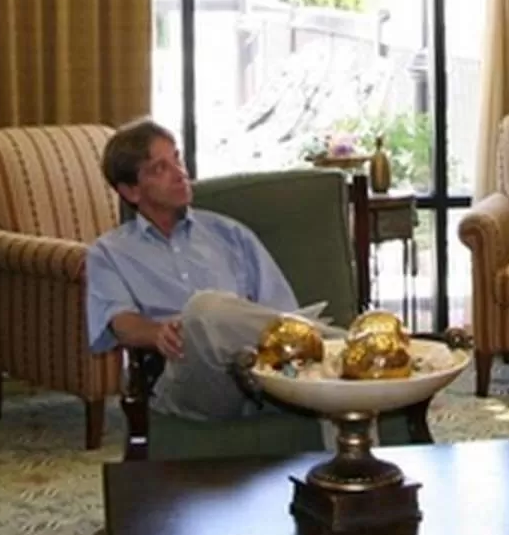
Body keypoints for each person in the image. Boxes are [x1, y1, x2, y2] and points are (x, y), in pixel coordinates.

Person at [84, 119, 327, 422]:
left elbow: (282, 314)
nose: (180, 174)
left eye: (177, 158)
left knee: (321, 377)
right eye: (160, 168)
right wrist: (158, 333)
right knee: (203, 310)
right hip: (189, 376)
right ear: (131, 192)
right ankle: (337, 345)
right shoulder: (109, 253)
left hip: (260, 370)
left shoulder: (229, 233)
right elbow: (119, 322)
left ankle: (338, 377)